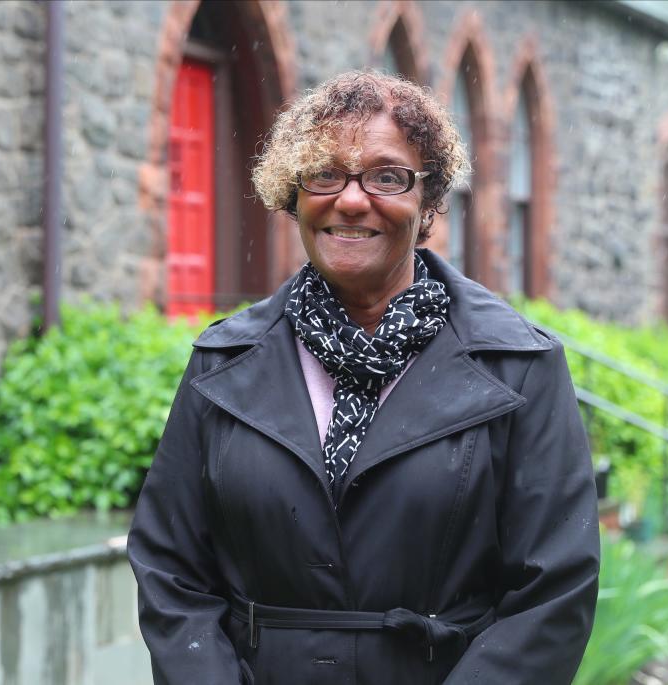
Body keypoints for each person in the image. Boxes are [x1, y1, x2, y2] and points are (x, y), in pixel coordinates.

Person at [128, 70, 599, 685]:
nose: (351, 199)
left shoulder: (519, 366)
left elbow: (552, 591)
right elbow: (170, 570)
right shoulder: (222, 362)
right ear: (292, 193)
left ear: (428, 202)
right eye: (325, 172)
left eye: (386, 176)